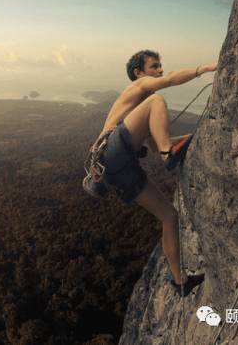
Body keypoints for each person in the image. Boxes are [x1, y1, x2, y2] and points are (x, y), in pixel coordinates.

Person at [95, 49, 216, 297]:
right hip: (113, 151)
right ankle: (169, 153)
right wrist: (203, 69)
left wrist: (198, 137)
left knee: (170, 216)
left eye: (160, 66)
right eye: (154, 67)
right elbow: (170, 80)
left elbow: (156, 143)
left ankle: (180, 281)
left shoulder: (141, 113)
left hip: (116, 169)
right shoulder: (140, 88)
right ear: (139, 73)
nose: (160, 70)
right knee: (157, 100)